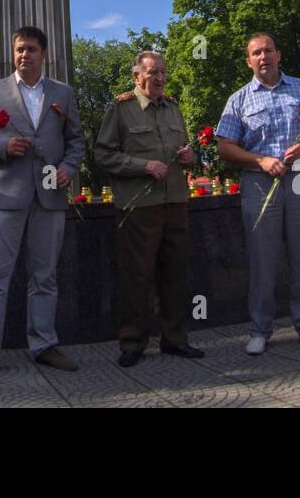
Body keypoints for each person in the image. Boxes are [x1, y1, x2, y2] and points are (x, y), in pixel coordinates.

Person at [0, 26, 85, 380]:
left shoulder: (63, 92)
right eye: (19, 49)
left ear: (43, 53)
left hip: (48, 196)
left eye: (31, 49)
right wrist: (2, 146)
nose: (24, 55)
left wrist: (67, 169)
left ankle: (44, 345)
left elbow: (76, 141)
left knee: (44, 277)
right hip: (4, 196)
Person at [215, 33, 300, 355]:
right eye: (256, 53)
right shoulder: (239, 99)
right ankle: (260, 329)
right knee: (262, 257)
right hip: (258, 182)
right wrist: (261, 160)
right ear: (248, 61)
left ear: (278, 55)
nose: (263, 56)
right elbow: (225, 146)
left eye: (268, 50)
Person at [93, 50, 202, 366]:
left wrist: (189, 158)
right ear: (136, 76)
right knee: (137, 276)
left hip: (176, 201)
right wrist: (143, 165)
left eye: (163, 72)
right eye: (153, 72)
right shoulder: (121, 109)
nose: (160, 78)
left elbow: (186, 149)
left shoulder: (173, 108)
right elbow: (103, 154)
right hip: (140, 206)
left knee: (175, 274)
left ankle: (175, 339)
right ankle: (132, 343)